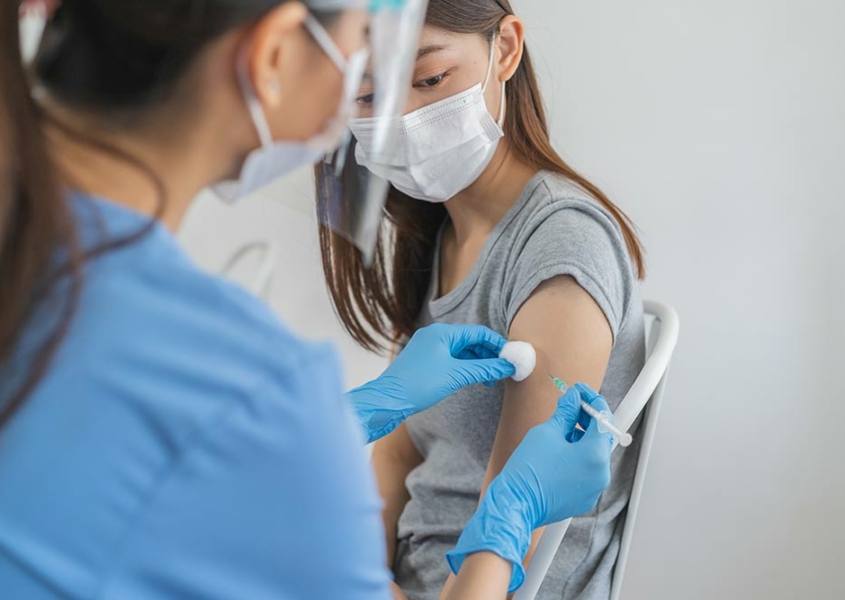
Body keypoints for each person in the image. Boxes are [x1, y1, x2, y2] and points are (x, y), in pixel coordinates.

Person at [0, 1, 615, 599]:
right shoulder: (256, 391)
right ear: (271, 53)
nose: (390, 114)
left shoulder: (41, 270)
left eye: (425, 76)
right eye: (362, 81)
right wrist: (507, 524)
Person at [319, 1, 648, 599]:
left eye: (429, 79)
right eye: (367, 97)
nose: (402, 117)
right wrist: (363, 576)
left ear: (504, 49)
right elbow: (397, 451)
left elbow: (508, 553)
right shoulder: (440, 234)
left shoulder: (560, 244)